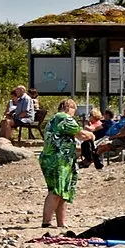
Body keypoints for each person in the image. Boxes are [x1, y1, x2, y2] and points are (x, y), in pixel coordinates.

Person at [41, 97, 92, 230]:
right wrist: (92, 136)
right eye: (73, 111)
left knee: (63, 191)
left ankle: (61, 223)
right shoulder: (64, 117)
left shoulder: (52, 119)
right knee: (57, 191)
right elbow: (81, 135)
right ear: (68, 107)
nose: (73, 115)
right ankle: (46, 222)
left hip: (51, 158)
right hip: (59, 159)